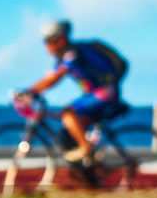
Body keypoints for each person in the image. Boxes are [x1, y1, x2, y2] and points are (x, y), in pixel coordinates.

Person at [25, 20, 128, 163]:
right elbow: (50, 76)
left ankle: (86, 149)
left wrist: (29, 92)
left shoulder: (72, 54)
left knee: (68, 113)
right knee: (70, 127)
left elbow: (55, 77)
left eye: (48, 41)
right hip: (97, 94)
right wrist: (31, 90)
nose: (46, 46)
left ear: (60, 39)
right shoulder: (63, 57)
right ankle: (87, 167)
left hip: (105, 92)